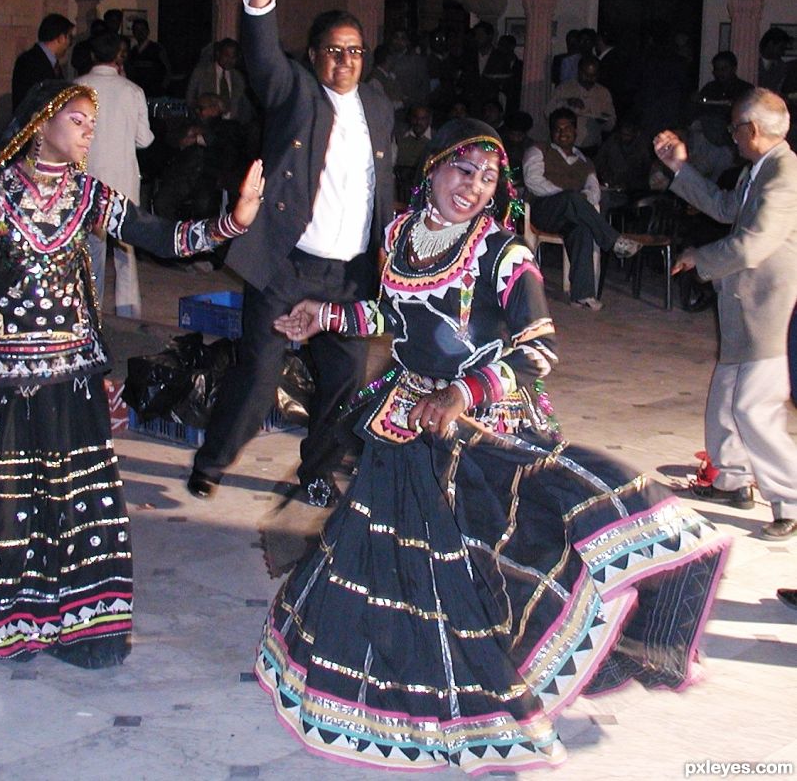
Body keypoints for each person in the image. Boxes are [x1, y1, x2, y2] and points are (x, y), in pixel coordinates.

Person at [259, 118, 730, 775]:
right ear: (432, 170)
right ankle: (391, 670)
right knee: (390, 551)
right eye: (462, 170)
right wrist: (328, 314)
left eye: (486, 178)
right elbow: (395, 315)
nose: (473, 188)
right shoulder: (401, 235)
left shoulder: (503, 253)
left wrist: (463, 394)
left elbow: (539, 348)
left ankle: (482, 682)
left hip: (479, 418)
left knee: (477, 556)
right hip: (405, 408)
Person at [0, 80, 265, 667]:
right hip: (7, 380)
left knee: (78, 506)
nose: (88, 131)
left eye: (91, 123)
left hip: (70, 374)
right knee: (10, 506)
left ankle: (78, 625)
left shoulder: (88, 195)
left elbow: (157, 235)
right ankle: (14, 620)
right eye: (77, 120)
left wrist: (229, 225)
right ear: (41, 124)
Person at [185, 0, 395, 505]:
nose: (345, 61)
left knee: (345, 382)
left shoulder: (377, 106)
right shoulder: (295, 92)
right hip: (288, 266)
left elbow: (386, 180)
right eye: (334, 50)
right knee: (258, 374)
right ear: (314, 55)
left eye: (354, 51)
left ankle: (318, 473)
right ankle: (213, 460)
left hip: (350, 275)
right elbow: (260, 57)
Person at [654, 88, 797, 540]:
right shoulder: (759, 170)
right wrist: (679, 166)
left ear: (752, 129)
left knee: (755, 408)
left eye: (735, 127)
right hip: (743, 304)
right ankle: (733, 480)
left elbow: (754, 242)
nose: (731, 136)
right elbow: (724, 207)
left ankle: (790, 500)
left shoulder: (785, 175)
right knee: (725, 398)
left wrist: (701, 257)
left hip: (771, 308)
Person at [523, 108, 641, 310]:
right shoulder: (539, 150)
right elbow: (533, 181)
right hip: (544, 210)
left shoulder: (585, 162)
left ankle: (582, 295)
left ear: (576, 131)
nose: (562, 133)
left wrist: (580, 200)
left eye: (567, 128)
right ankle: (613, 241)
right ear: (551, 132)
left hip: (571, 213)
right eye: (557, 129)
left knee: (582, 229)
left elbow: (594, 191)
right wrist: (567, 196)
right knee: (572, 199)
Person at [76, 32, 154, 318]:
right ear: (119, 57)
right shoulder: (132, 90)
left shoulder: (77, 87)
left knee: (90, 249)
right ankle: (128, 310)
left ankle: (88, 309)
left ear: (93, 55)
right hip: (122, 181)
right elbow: (144, 139)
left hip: (88, 181)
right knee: (125, 252)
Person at [546, 54, 616, 156]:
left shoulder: (603, 93)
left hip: (591, 148)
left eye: (593, 75)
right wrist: (566, 103)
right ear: (579, 72)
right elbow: (548, 113)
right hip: (566, 148)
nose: (589, 79)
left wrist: (602, 120)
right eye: (586, 75)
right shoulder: (565, 88)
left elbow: (611, 125)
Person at [11, 13, 74, 110]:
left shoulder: (49, 62)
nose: (69, 43)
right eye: (69, 37)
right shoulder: (30, 62)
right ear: (61, 38)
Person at [185, 37, 250, 123]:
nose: (229, 60)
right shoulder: (201, 72)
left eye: (233, 57)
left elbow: (244, 106)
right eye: (226, 55)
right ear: (218, 54)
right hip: (207, 125)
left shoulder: (238, 77)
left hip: (232, 126)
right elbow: (189, 100)